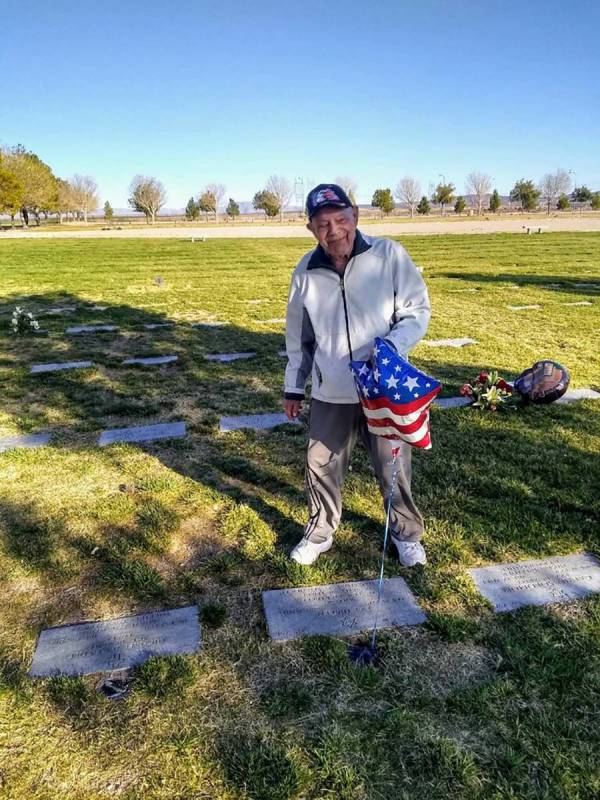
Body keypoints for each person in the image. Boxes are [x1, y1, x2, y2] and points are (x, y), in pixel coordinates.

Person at [283, 183, 431, 566]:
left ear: (356, 217)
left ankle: (406, 534)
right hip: (331, 389)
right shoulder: (306, 271)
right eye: (323, 224)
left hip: (382, 389)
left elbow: (416, 311)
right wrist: (293, 387)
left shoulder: (389, 255)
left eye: (341, 219)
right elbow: (300, 336)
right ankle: (320, 531)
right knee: (321, 464)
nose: (334, 230)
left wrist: (389, 349)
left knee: (393, 465)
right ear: (311, 229)